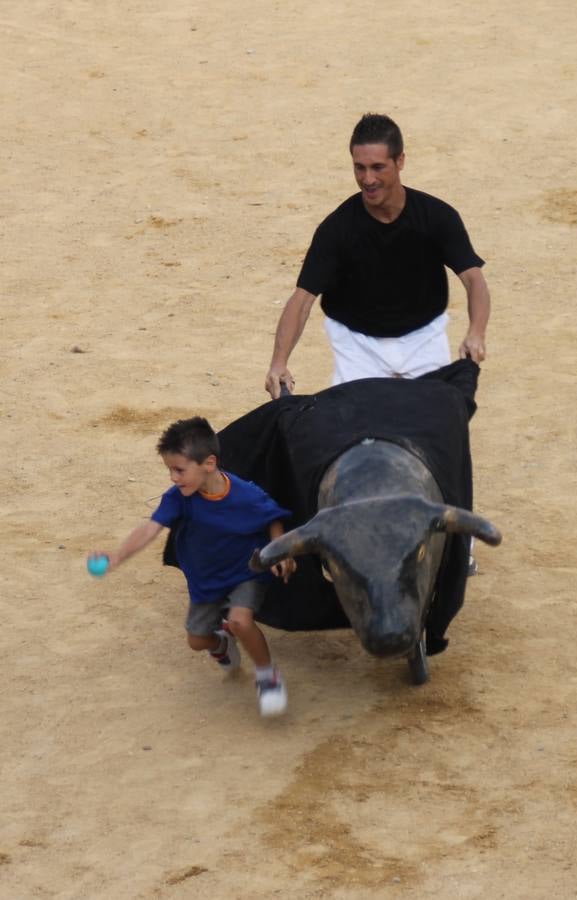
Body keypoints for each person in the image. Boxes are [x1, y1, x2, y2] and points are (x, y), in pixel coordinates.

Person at [265, 112, 491, 399]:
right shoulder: (337, 229)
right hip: (358, 346)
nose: (368, 179)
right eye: (359, 168)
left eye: (377, 167)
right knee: (358, 424)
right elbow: (302, 299)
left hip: (424, 339)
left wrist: (476, 331)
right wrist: (279, 362)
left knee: (434, 419)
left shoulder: (437, 217)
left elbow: (473, 279)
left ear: (400, 161)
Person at [88, 416, 296, 717]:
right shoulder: (178, 498)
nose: (173, 478)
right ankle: (221, 644)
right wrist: (118, 556)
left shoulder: (246, 495)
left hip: (245, 572)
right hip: (206, 580)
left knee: (240, 621)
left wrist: (280, 551)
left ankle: (268, 677)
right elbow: (150, 528)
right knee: (197, 641)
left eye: (179, 470)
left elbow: (273, 518)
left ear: (209, 463)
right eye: (170, 470)